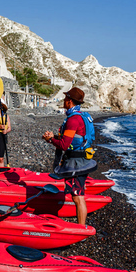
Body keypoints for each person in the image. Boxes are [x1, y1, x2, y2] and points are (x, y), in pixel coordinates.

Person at [42, 87, 92, 226]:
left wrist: (50, 140)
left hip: (76, 162)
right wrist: (54, 137)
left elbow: (64, 145)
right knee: (78, 195)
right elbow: (70, 139)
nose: (63, 101)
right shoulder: (79, 116)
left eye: (65, 99)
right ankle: (81, 227)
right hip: (82, 159)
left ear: (69, 102)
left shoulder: (73, 119)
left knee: (77, 197)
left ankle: (81, 228)